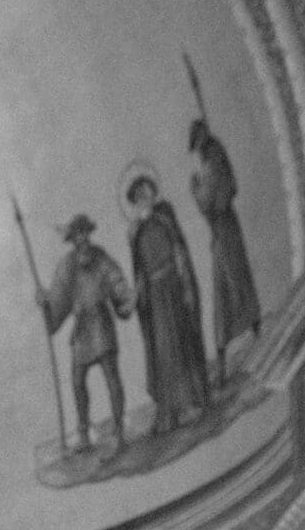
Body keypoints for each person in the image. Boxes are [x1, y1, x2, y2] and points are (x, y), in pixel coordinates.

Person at [124, 170, 210, 433]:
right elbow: (139, 271)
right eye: (138, 195)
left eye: (146, 191)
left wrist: (185, 285)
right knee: (162, 352)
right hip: (155, 298)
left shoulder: (164, 217)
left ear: (152, 192)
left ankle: (191, 403)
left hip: (173, 288)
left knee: (182, 343)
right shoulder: (136, 232)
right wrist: (135, 297)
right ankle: (169, 412)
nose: (143, 197)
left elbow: (179, 251)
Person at [40, 213, 133, 451]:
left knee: (112, 376)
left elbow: (115, 279)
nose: (81, 238)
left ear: (88, 234)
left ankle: (120, 432)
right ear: (72, 239)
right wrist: (46, 304)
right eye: (76, 234)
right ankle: (83, 436)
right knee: (77, 381)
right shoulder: (67, 265)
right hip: (82, 329)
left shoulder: (101, 257)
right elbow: (58, 298)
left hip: (101, 322)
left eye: (84, 232)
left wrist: (124, 297)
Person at [188, 118, 260, 382]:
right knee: (229, 285)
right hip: (223, 230)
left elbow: (212, 202)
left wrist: (196, 190)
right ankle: (227, 351)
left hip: (224, 229)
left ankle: (242, 340)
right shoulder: (214, 160)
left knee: (232, 282)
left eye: (197, 144)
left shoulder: (213, 162)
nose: (197, 150)